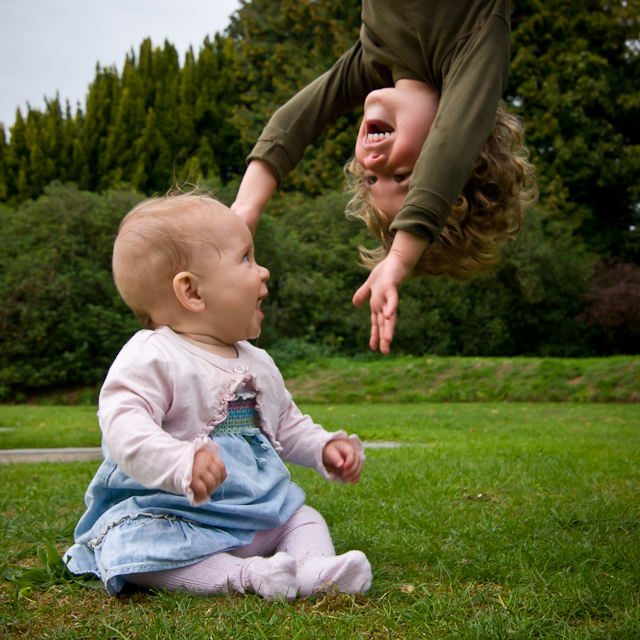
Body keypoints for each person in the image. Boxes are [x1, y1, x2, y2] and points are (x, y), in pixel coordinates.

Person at [63, 192, 372, 600]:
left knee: (301, 516)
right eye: (245, 258)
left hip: (254, 511)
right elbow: (124, 430)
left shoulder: (257, 361)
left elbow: (286, 424)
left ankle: (314, 569)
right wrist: (179, 462)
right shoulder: (153, 355)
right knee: (138, 547)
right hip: (174, 515)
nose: (262, 271)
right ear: (192, 292)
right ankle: (243, 576)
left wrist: (324, 447)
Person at [232, 0, 537, 355]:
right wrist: (399, 260)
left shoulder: (375, 60)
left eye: (371, 180)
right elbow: (451, 146)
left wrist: (245, 207)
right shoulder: (475, 47)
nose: (374, 163)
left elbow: (298, 121)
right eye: (403, 176)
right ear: (473, 154)